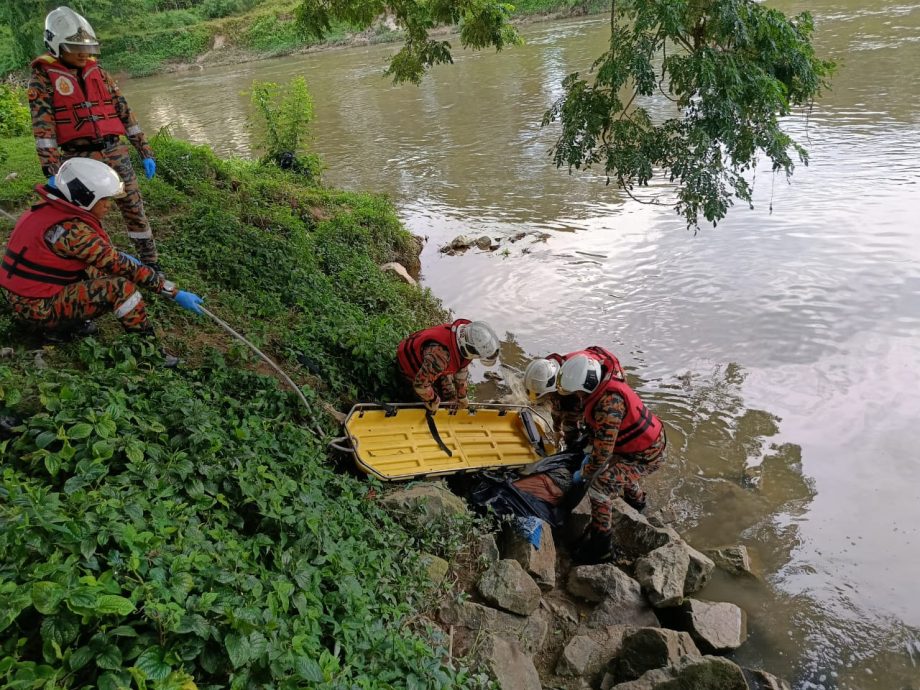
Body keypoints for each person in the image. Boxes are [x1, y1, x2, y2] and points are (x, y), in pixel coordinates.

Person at [0, 158, 202, 362]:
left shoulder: (48, 209)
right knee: (122, 288)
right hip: (37, 308)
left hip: (23, 297)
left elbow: (100, 259)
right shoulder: (73, 231)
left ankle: (67, 324)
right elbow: (122, 266)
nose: (109, 206)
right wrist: (174, 292)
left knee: (100, 271)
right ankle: (148, 354)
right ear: (84, 198)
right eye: (104, 199)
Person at [28, 6, 161, 269]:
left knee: (134, 207)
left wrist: (144, 150)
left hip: (115, 151)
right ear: (56, 45)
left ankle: (151, 264)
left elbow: (125, 113)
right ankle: (100, 264)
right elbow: (44, 129)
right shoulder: (42, 79)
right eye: (73, 47)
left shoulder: (99, 73)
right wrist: (51, 170)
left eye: (85, 47)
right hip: (79, 158)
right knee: (88, 214)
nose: (83, 53)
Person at [555, 352, 667, 564]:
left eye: (577, 392)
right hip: (641, 446)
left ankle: (601, 545)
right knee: (618, 470)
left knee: (600, 485)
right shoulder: (601, 386)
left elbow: (602, 455)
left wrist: (583, 475)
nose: (576, 396)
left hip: (647, 455)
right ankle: (638, 502)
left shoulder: (609, 405)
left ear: (585, 386)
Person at [523, 346, 623, 450]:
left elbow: (570, 416)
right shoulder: (547, 369)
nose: (547, 398)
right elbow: (556, 405)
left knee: (584, 428)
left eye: (547, 396)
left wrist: (570, 441)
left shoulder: (573, 387)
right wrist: (557, 430)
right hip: (585, 366)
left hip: (602, 378)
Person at [396, 319, 500, 412]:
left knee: (450, 396)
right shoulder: (440, 356)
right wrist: (433, 401)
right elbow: (420, 385)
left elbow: (461, 367)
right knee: (433, 404)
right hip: (409, 367)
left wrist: (462, 396)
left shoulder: (462, 338)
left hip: (430, 361)